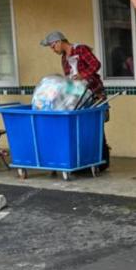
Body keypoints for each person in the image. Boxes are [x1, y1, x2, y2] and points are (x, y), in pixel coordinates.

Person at [41, 31, 109, 171]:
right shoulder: (64, 59)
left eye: (53, 46)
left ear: (59, 42)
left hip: (93, 93)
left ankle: (101, 161)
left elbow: (96, 65)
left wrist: (82, 75)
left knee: (96, 127)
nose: (52, 50)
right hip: (79, 97)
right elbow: (69, 79)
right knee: (82, 128)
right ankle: (84, 161)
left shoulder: (80, 49)